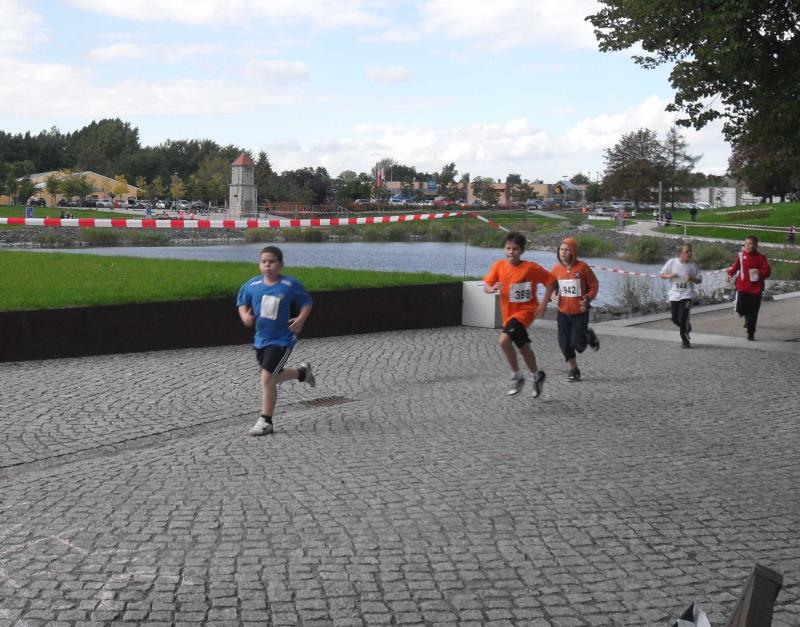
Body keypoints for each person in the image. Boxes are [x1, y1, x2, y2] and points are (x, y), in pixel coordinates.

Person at [237, 245, 315, 435]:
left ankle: (266, 421)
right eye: (263, 262)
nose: (267, 265)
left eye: (271, 262)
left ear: (281, 264)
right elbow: (242, 302)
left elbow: (307, 302)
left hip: (282, 340)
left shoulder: (290, 285)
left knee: (267, 378)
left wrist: (301, 318)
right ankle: (302, 373)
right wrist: (245, 316)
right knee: (273, 376)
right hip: (261, 340)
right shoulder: (252, 285)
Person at [483, 231, 556, 398]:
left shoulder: (530, 268)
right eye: (508, 248)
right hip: (509, 315)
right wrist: (491, 289)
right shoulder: (499, 266)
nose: (511, 252)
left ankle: (517, 376)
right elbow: (487, 285)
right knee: (524, 349)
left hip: (526, 312)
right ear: (504, 249)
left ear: (522, 251)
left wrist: (544, 303)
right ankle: (537, 376)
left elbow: (551, 281)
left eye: (515, 249)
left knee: (503, 340)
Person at [548, 237, 600, 381]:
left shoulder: (582, 267)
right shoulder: (556, 270)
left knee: (578, 344)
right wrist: (552, 295)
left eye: (567, 250)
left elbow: (594, 285)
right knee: (564, 343)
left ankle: (588, 336)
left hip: (580, 312)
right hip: (563, 312)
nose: (563, 252)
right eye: (561, 249)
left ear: (573, 252)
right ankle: (574, 370)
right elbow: (550, 288)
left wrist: (588, 297)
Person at [727, 235, 771, 341]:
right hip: (742, 287)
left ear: (756, 245)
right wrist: (730, 273)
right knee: (740, 308)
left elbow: (767, 271)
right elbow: (735, 266)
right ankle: (745, 317)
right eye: (746, 243)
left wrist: (759, 272)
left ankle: (751, 333)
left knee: (753, 313)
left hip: (756, 289)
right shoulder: (741, 255)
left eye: (750, 244)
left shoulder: (761, 258)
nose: (747, 246)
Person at [660, 243, 703, 348]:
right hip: (674, 294)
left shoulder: (692, 265)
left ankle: (685, 341)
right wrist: (670, 275)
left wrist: (691, 278)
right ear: (680, 253)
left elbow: (699, 280)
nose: (690, 253)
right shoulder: (672, 262)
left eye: (690, 251)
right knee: (675, 318)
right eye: (687, 251)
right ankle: (687, 327)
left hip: (686, 295)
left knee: (683, 318)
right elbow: (662, 275)